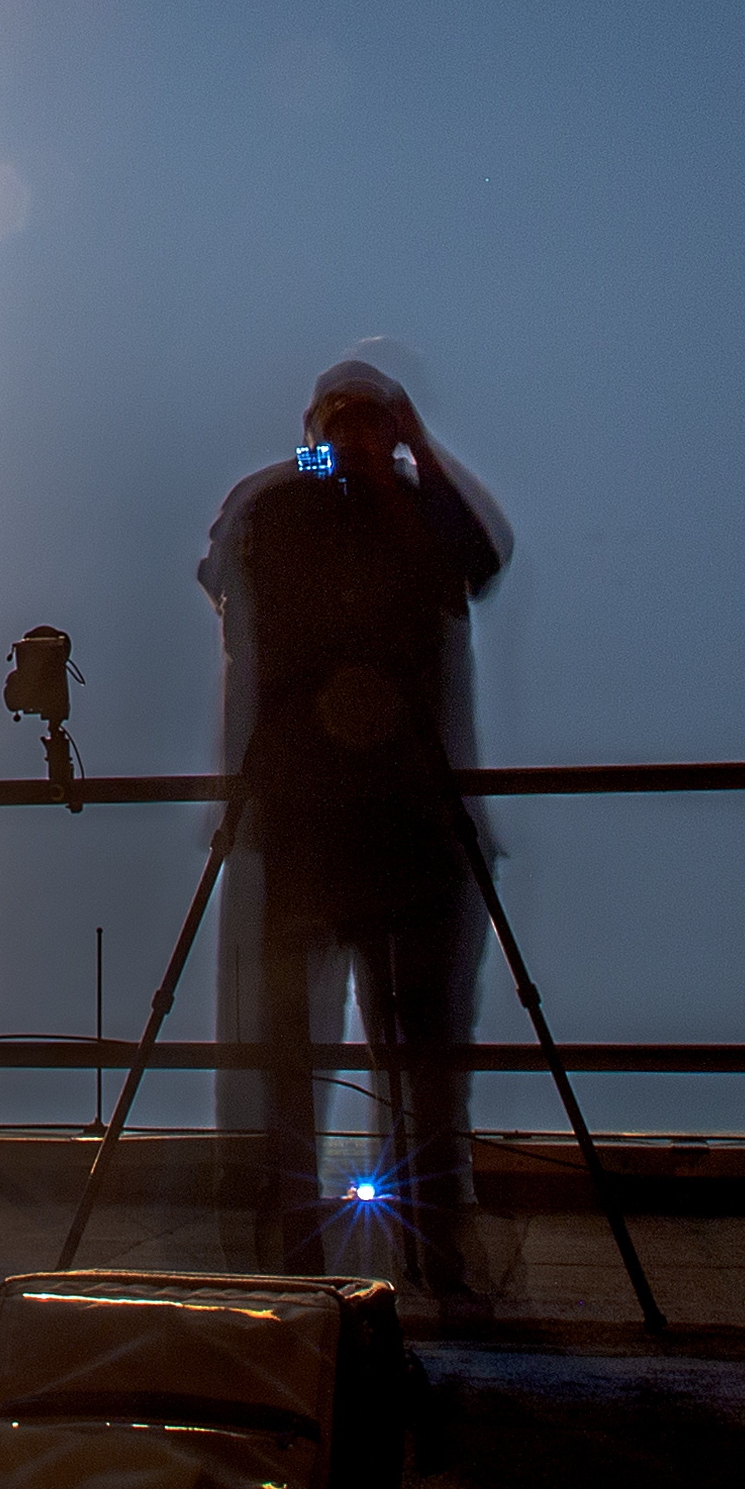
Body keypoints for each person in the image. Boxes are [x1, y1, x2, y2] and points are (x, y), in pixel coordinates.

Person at [199, 358, 509, 1296]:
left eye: (374, 422)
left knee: (422, 1060)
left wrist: (408, 457)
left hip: (397, 829)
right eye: (343, 423)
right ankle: (310, 1242)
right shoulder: (279, 511)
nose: (357, 440)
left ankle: (423, 1240)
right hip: (321, 825)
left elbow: (483, 561)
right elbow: (228, 565)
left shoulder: (414, 515)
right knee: (300, 1052)